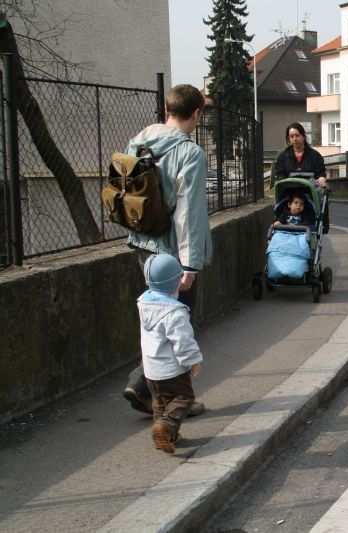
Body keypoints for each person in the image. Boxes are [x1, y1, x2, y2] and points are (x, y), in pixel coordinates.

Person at [122, 84, 212, 417]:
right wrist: (190, 265)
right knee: (177, 327)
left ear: (167, 109)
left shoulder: (139, 140)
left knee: (152, 321)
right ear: (197, 114)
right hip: (173, 254)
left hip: (142, 244)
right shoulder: (190, 153)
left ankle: (143, 386)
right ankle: (171, 402)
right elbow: (189, 214)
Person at [138, 254, 204, 454]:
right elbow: (183, 341)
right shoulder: (175, 313)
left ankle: (168, 436)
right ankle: (165, 427)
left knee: (161, 402)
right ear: (176, 282)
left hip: (150, 369)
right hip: (172, 369)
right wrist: (193, 361)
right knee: (184, 397)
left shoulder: (144, 303)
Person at [272, 122, 329, 232]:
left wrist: (321, 178)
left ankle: (317, 226)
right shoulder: (283, 156)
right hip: (290, 192)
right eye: (291, 136)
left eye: (297, 135)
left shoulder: (315, 156)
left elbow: (321, 173)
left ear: (303, 136)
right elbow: (280, 175)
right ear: (288, 139)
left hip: (309, 192)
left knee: (318, 199)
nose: (295, 139)